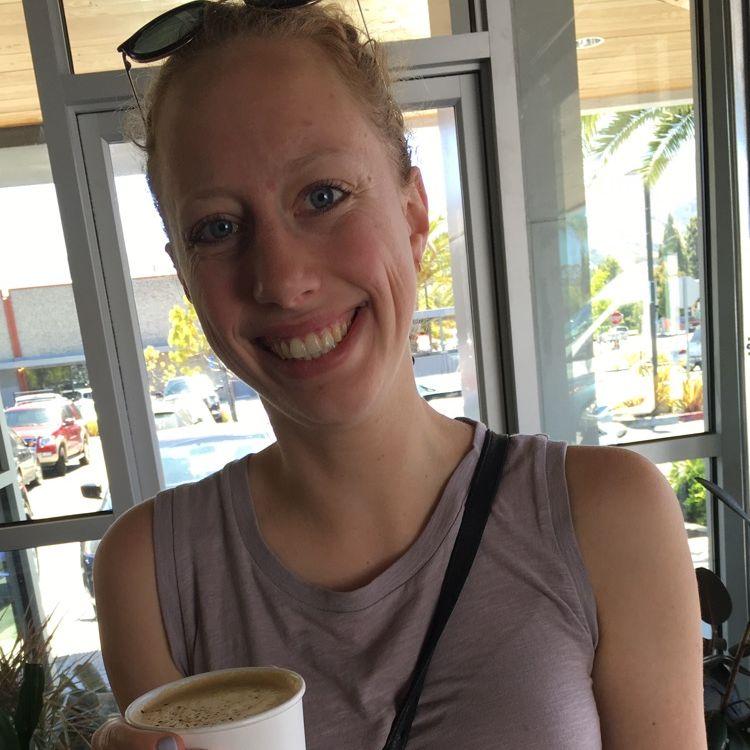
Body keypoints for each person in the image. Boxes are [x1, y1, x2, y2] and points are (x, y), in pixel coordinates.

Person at [92, 2, 706, 748]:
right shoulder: (150, 574)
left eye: (323, 196)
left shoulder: (608, 518)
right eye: (218, 228)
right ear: (186, 279)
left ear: (414, 215)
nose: (282, 281)